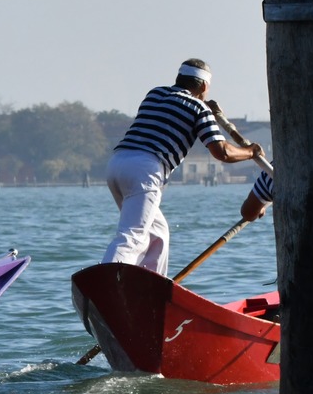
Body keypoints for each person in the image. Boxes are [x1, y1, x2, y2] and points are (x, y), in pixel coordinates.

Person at [102, 59, 265, 275]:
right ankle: (108, 282)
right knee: (132, 234)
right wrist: (251, 152)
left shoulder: (155, 94)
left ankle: (151, 287)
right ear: (204, 87)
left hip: (117, 164)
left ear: (179, 79)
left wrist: (207, 111)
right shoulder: (199, 109)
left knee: (159, 232)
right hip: (145, 168)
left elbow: (177, 108)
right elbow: (222, 152)